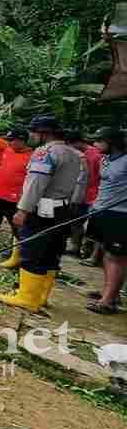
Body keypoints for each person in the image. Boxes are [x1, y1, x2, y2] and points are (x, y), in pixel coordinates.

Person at [0, 116, 82, 313]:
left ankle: (27, 297)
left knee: (33, 250)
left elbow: (36, 184)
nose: (32, 136)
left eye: (34, 132)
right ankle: (40, 296)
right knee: (52, 251)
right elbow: (79, 184)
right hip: (63, 208)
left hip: (43, 209)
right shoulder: (74, 153)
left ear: (44, 133)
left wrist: (23, 210)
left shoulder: (45, 153)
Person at [85, 127, 127, 314]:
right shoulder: (105, 159)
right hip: (102, 209)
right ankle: (110, 292)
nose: (95, 144)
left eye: (99, 141)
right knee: (105, 253)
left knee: (116, 257)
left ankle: (108, 302)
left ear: (112, 142)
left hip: (120, 214)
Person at [65, 130, 102, 259]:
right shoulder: (76, 154)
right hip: (79, 194)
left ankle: (89, 253)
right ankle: (75, 247)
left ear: (77, 142)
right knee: (75, 222)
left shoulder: (96, 155)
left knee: (93, 227)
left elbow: (102, 176)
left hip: (94, 195)